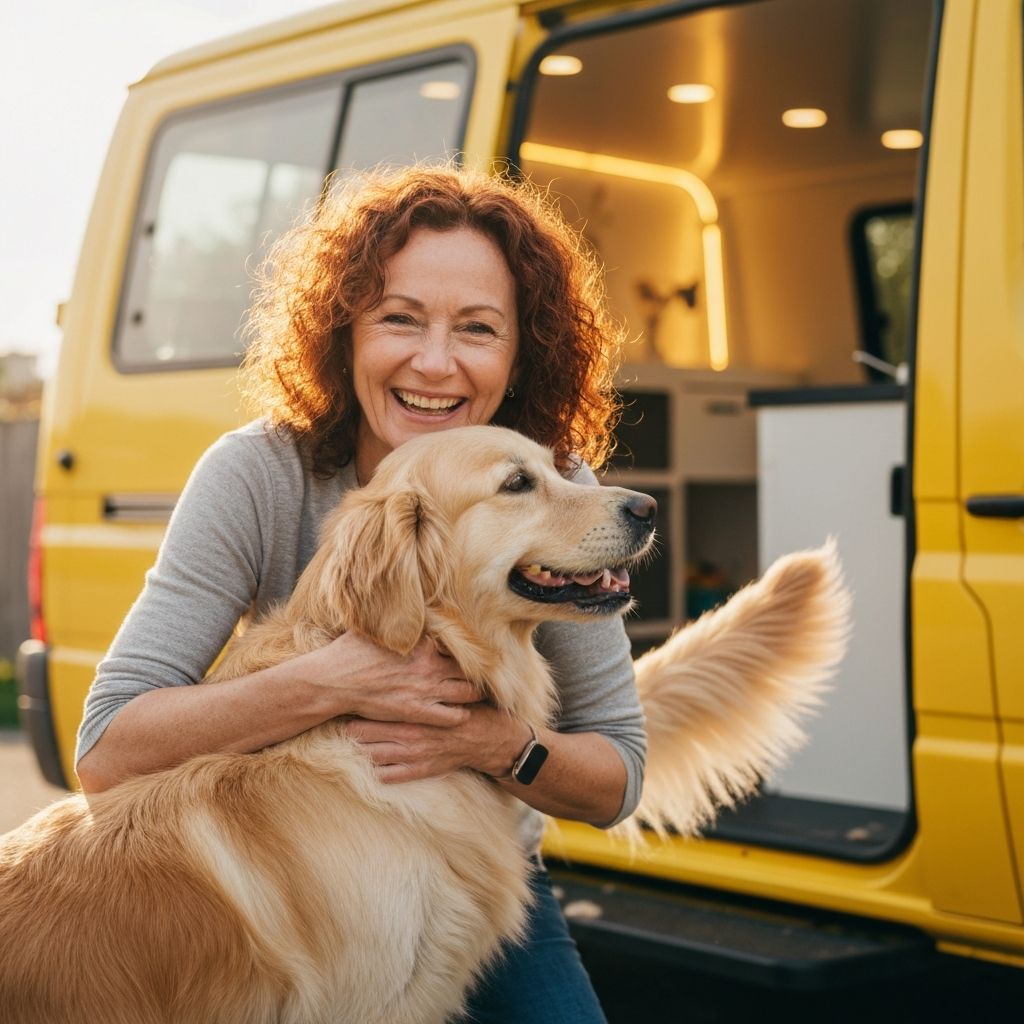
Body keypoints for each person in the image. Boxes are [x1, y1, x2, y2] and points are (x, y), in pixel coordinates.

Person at [75, 164, 646, 1023]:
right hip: (317, 861)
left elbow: (617, 772)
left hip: (485, 867)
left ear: (520, 352)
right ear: (343, 332)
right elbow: (106, 753)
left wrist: (494, 743)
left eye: (479, 329)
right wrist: (332, 682)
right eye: (400, 319)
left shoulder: (550, 477)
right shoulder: (258, 473)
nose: (435, 361)